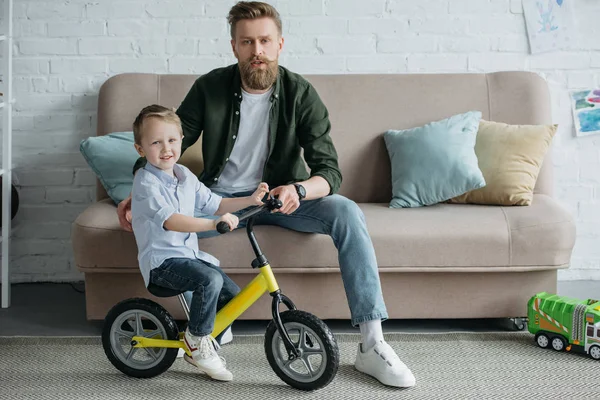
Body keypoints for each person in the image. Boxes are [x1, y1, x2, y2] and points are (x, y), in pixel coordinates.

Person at [119, 1, 416, 388]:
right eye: (247, 42)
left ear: (279, 44)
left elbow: (330, 171)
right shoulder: (210, 87)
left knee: (345, 211)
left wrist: (298, 188)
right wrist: (137, 193)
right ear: (234, 47)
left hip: (278, 197)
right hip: (220, 200)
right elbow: (167, 146)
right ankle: (203, 334)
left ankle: (372, 345)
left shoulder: (301, 93)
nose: (256, 50)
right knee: (171, 234)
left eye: (264, 41)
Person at [130, 104, 269, 381]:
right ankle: (197, 343)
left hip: (188, 257)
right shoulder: (146, 183)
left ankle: (202, 338)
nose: (166, 148)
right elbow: (171, 221)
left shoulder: (184, 175)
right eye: (156, 142)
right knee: (209, 281)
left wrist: (250, 200)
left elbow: (215, 202)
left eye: (171, 140)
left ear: (182, 139)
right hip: (162, 263)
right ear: (141, 149)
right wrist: (211, 225)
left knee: (231, 294)